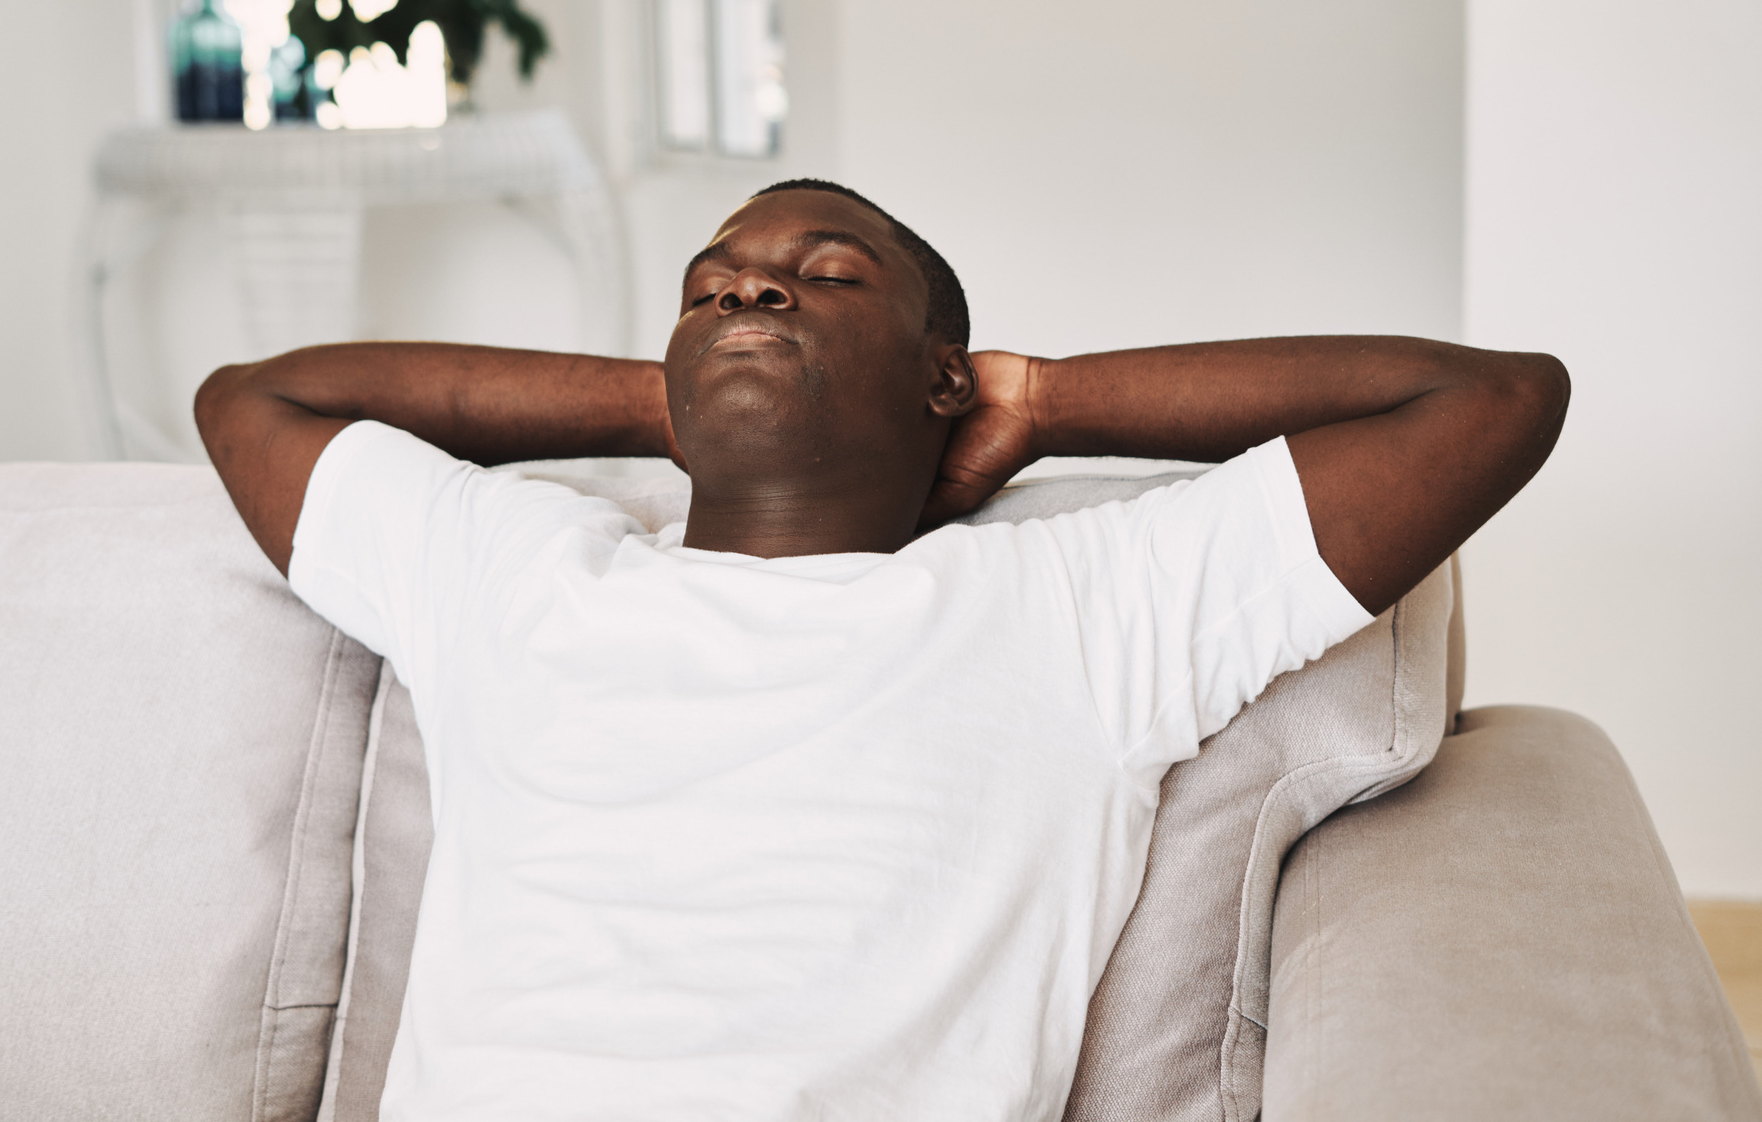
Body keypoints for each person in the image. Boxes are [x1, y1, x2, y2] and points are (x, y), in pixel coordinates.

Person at [195, 178, 1568, 1122]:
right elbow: (255, 398)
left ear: (939, 376)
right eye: (711, 286)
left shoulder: (1075, 606)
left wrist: (1046, 400)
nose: (751, 291)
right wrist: (671, 395)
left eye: (821, 277)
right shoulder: (517, 573)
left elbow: (1492, 398)